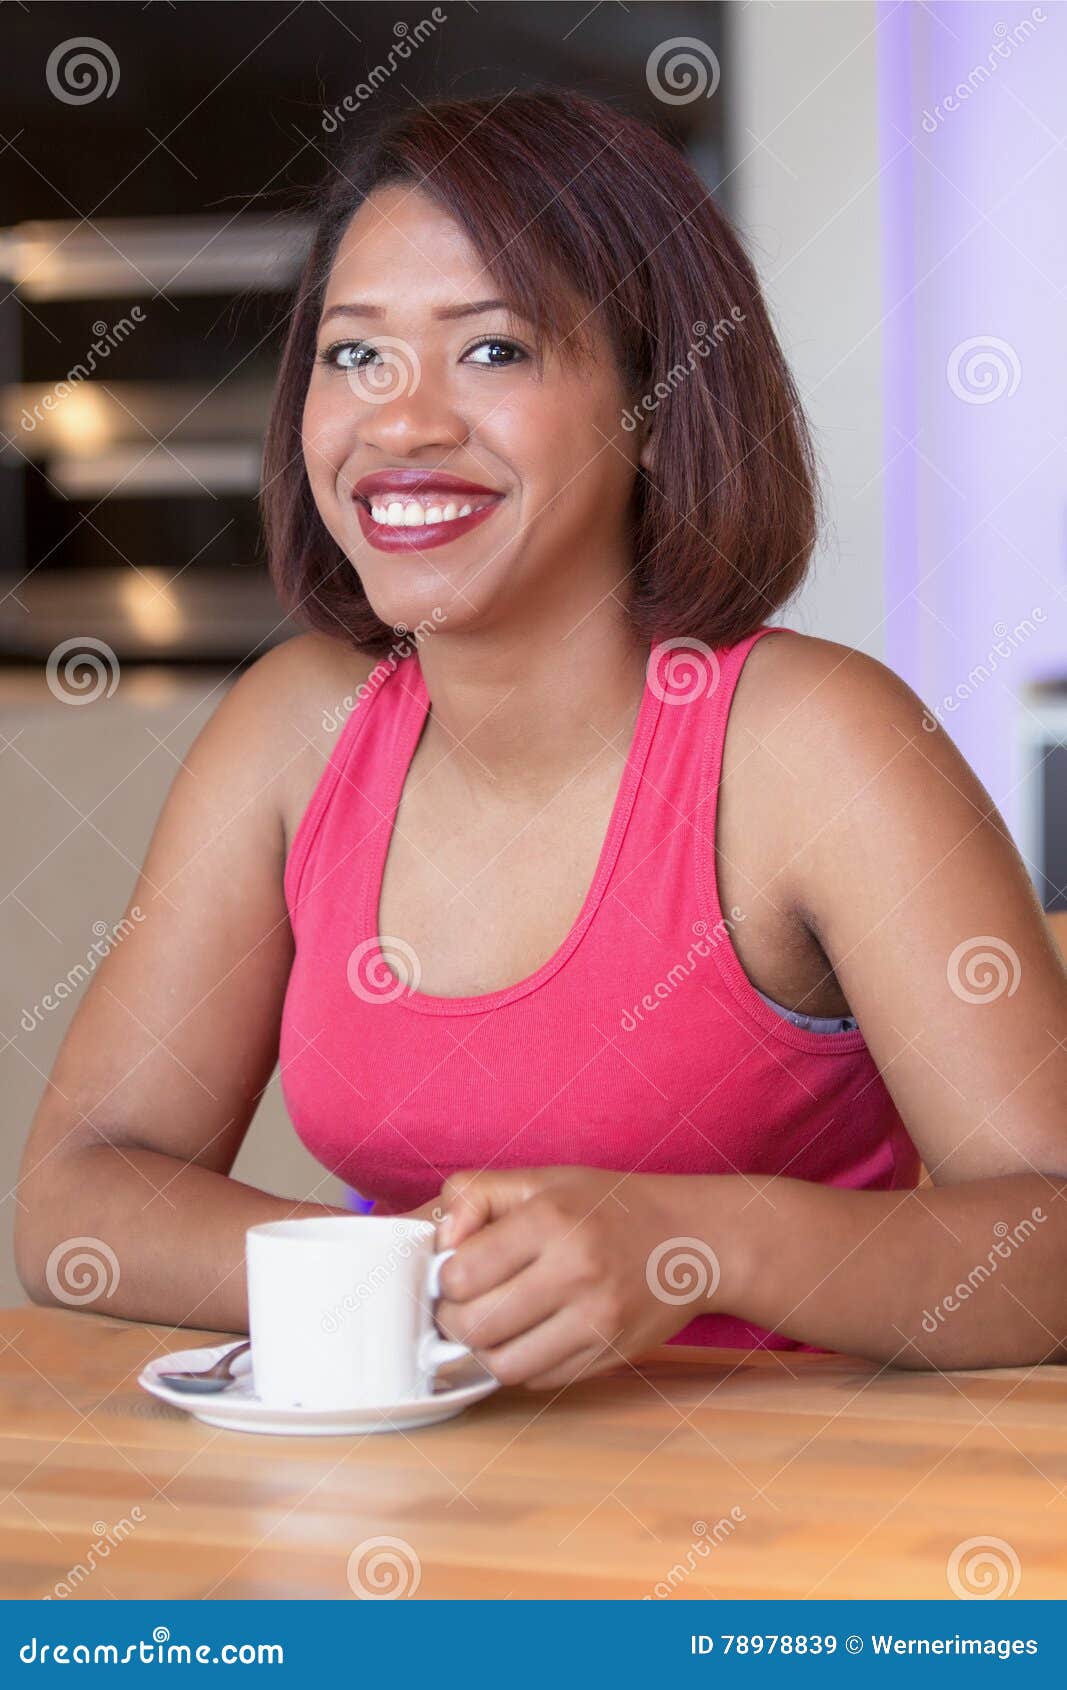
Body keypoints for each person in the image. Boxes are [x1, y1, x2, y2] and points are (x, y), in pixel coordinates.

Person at [17, 90, 1067, 1387]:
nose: (401, 424)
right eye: (355, 355)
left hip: (792, 1533)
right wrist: (419, 1275)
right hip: (431, 1510)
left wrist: (683, 1241)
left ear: (654, 398)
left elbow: (1053, 1234)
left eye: (495, 351)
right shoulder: (296, 729)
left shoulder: (817, 746)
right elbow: (77, 1197)